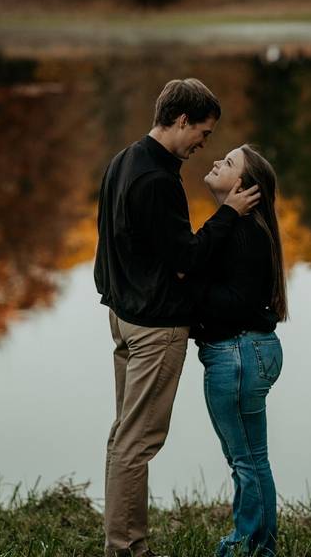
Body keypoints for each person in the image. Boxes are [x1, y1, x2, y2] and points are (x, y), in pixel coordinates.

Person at [94, 78, 260, 557]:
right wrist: (227, 213)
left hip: (124, 316)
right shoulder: (156, 180)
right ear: (182, 120)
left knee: (123, 436)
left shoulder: (123, 160)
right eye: (203, 134)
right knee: (138, 441)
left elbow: (107, 245)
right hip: (154, 328)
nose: (203, 145)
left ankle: (121, 543)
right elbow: (186, 257)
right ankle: (127, 549)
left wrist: (114, 297)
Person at [191, 144, 288, 557]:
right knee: (247, 459)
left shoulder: (245, 233)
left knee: (248, 461)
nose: (215, 161)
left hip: (239, 353)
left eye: (228, 163)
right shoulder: (236, 227)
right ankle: (252, 542)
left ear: (246, 189)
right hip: (243, 353)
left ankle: (251, 546)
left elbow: (237, 303)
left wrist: (189, 295)